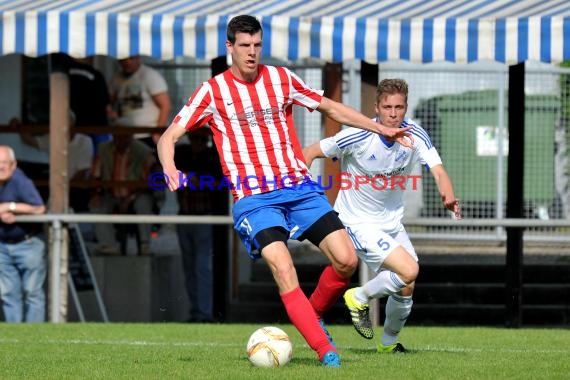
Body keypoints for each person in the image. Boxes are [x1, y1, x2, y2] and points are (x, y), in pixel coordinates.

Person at [157, 15, 411, 367]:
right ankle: (326, 351)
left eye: (257, 45)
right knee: (282, 265)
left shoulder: (280, 78)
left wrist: (378, 127)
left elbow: (331, 107)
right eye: (244, 46)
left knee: (347, 259)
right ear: (229, 47)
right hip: (255, 199)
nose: (251, 53)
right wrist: (170, 167)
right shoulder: (212, 91)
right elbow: (168, 136)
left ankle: (313, 315)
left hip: (300, 189)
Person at [303, 78, 462, 353]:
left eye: (398, 107)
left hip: (391, 222)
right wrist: (300, 189)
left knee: (406, 286)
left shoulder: (415, 135)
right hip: (357, 222)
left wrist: (447, 195)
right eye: (387, 107)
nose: (392, 113)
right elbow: (310, 152)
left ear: (405, 108)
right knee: (409, 269)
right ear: (376, 107)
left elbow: (438, 169)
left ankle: (388, 346)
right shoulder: (358, 135)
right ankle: (358, 296)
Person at [174, 128, 222, 323]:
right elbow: (171, 176)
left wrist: (190, 179)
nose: (198, 143)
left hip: (204, 218)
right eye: (195, 138)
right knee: (189, 268)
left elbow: (214, 182)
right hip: (184, 216)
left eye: (202, 139)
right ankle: (196, 312)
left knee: (202, 268)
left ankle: (204, 313)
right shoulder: (182, 154)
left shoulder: (212, 157)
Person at [88, 129, 157, 255]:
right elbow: (95, 176)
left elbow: (149, 182)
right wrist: (96, 194)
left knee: (144, 203)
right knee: (96, 205)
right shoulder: (103, 150)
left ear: (131, 137)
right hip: (111, 194)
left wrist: (129, 198)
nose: (121, 140)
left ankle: (145, 244)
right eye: (118, 136)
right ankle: (109, 246)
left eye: (125, 136)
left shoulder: (143, 151)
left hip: (137, 194)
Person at [0, 145, 47, 322]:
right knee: (8, 293)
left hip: (28, 243)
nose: (1, 167)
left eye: (5, 163)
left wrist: (11, 207)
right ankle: (16, 338)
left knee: (32, 292)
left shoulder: (21, 181)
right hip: (3, 244)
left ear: (14, 165)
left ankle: (34, 339)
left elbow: (39, 208)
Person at [19, 111, 94, 212]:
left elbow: (82, 172)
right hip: (58, 189)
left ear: (73, 124)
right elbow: (30, 140)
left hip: (76, 190)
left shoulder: (84, 141)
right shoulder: (53, 138)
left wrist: (61, 191)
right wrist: (17, 125)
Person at [109, 55, 171, 147]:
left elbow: (165, 105)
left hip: (147, 135)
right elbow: (109, 102)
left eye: (131, 58)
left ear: (138, 58)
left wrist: (157, 133)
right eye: (123, 59)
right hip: (124, 136)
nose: (127, 62)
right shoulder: (117, 79)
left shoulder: (150, 75)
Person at [68, 56, 113, 152]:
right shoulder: (96, 75)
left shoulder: (62, 75)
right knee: (101, 158)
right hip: (97, 126)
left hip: (74, 128)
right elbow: (106, 105)